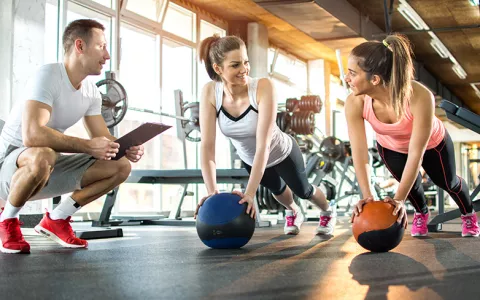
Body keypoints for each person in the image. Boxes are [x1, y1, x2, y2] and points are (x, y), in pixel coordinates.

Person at [0, 19, 145, 254]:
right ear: (80, 46)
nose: (107, 55)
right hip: (8, 168)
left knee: (120, 166)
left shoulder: (91, 92)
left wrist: (124, 147)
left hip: (44, 167)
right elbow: (32, 135)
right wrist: (89, 147)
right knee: (43, 154)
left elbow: (103, 139)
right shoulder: (48, 75)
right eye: (101, 46)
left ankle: (57, 219)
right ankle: (6, 220)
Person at [195, 34, 336, 236]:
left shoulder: (262, 87)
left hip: (281, 152)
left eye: (246, 62)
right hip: (250, 159)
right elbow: (207, 146)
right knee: (278, 192)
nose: (244, 69)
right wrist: (212, 192)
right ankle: (294, 212)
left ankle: (328, 211)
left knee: (303, 191)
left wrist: (250, 194)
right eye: (235, 65)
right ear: (218, 69)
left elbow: (264, 145)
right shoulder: (210, 92)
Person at [345, 34, 479, 237]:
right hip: (391, 146)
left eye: (352, 73)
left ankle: (468, 214)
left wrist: (398, 199)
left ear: (374, 79)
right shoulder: (354, 103)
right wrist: (368, 196)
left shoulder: (419, 96)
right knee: (412, 188)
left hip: (433, 144)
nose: (347, 79)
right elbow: (360, 153)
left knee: (447, 182)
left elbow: (416, 154)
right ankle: (421, 213)